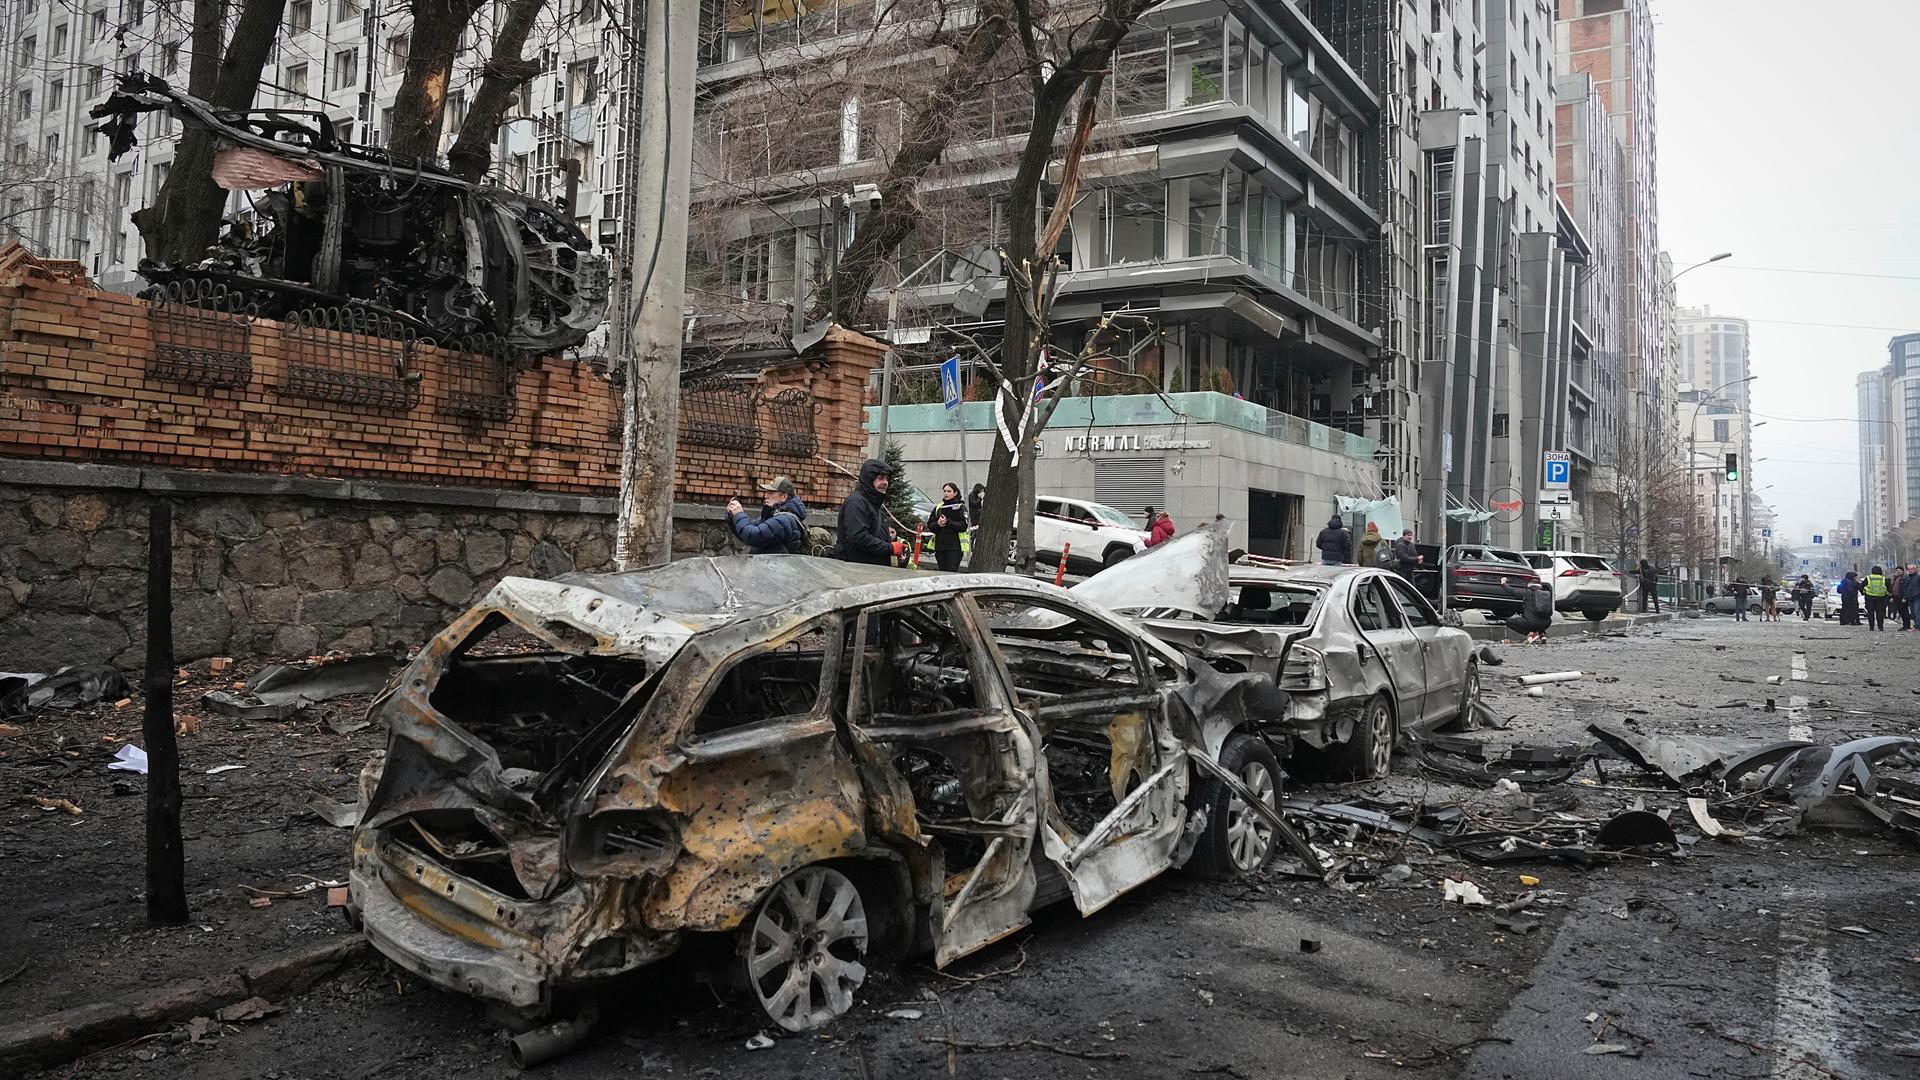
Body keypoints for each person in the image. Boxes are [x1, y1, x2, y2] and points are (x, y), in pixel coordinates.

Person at [836, 458, 904, 566]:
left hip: (870, 568)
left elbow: (870, 529)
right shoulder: (857, 502)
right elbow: (858, 537)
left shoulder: (872, 501)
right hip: (856, 569)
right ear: (869, 479)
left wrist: (887, 534)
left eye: (887, 478)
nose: (885, 483)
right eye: (880, 478)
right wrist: (890, 548)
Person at [725, 477, 808, 555]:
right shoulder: (774, 515)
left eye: (771, 492)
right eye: (767, 492)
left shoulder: (784, 520)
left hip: (776, 569)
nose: (766, 496)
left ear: (784, 497)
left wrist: (739, 514)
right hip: (768, 567)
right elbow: (747, 531)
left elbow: (754, 535)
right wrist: (733, 517)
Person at [929, 482, 968, 572]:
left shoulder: (960, 507)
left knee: (951, 571)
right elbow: (930, 525)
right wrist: (938, 524)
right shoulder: (938, 507)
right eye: (945, 491)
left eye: (949, 491)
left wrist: (948, 522)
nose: (946, 493)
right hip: (940, 547)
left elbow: (963, 526)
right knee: (942, 572)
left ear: (955, 493)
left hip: (954, 547)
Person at [1863, 564, 1891, 631]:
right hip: (1880, 597)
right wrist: (1887, 594)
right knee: (1880, 613)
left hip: (1869, 597)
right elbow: (1889, 587)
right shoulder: (1883, 578)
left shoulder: (1868, 578)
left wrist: (1864, 592)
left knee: (1870, 613)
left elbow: (1861, 586)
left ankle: (1871, 627)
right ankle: (1880, 627)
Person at [1901, 565, 1920, 631]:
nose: (1910, 570)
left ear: (1915, 569)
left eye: (1912, 569)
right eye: (1909, 569)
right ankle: (1916, 625)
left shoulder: (1918, 577)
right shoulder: (1907, 577)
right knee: (1913, 613)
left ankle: (1917, 626)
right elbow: (1905, 587)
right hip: (1909, 598)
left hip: (1917, 598)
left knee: (1916, 611)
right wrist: (1905, 596)